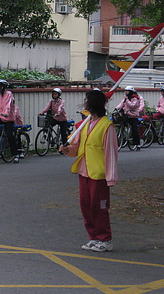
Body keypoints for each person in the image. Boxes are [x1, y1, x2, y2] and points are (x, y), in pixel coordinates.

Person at [59, 89, 118, 253]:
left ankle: (105, 239)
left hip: (99, 174)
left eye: (87, 100)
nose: (84, 102)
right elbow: (77, 146)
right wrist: (67, 149)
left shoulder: (107, 126)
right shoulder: (86, 123)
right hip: (84, 171)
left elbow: (111, 153)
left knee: (99, 207)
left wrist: (111, 177)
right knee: (86, 205)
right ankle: (93, 237)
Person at [115, 85, 144, 150]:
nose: (126, 92)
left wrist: (127, 100)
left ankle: (137, 144)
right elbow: (121, 104)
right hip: (127, 114)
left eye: (127, 91)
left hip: (133, 116)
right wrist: (116, 108)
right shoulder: (125, 98)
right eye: (125, 91)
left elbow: (133, 106)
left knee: (134, 130)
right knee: (121, 122)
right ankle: (124, 133)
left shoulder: (135, 98)